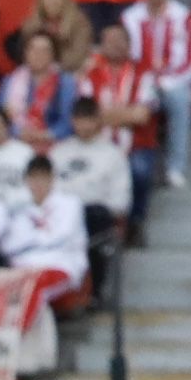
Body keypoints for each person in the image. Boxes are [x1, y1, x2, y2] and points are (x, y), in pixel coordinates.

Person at [123, 0, 191, 189]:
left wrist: (165, 82)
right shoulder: (129, 18)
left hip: (173, 83)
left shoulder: (185, 17)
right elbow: (128, 58)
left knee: (180, 99)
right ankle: (131, 163)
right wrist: (145, 83)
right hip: (139, 83)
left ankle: (175, 168)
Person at [82, 21, 160, 223]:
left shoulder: (144, 72)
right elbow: (88, 116)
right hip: (97, 144)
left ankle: (135, 222)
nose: (114, 45)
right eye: (109, 41)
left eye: (119, 40)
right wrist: (126, 114)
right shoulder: (91, 74)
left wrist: (106, 115)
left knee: (139, 171)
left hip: (137, 145)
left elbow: (142, 115)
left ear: (129, 43)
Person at [51, 97, 133, 281]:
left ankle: (93, 291)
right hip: (60, 215)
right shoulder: (59, 152)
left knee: (95, 217)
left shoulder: (113, 154)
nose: (84, 125)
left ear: (98, 121)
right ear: (72, 120)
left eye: (89, 119)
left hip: (94, 216)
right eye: (79, 119)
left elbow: (120, 201)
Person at [1, 154, 91, 300]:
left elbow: (61, 237)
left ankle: (23, 324)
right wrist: (40, 237)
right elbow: (8, 246)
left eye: (42, 178)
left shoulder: (69, 204)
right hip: (24, 267)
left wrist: (29, 239)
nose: (38, 183)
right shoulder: (19, 209)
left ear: (51, 179)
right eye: (33, 178)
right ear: (27, 180)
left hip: (60, 264)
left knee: (32, 290)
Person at [0, 31, 79, 148]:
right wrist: (18, 132)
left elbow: (69, 120)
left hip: (57, 144)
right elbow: (0, 119)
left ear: (53, 55)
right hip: (18, 144)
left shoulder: (67, 82)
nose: (38, 54)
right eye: (33, 49)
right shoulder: (10, 82)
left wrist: (45, 135)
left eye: (45, 50)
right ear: (25, 53)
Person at [13, 0, 96, 72]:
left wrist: (48, 60)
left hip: (69, 75)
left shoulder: (80, 23)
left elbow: (77, 58)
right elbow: (24, 56)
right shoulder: (31, 24)